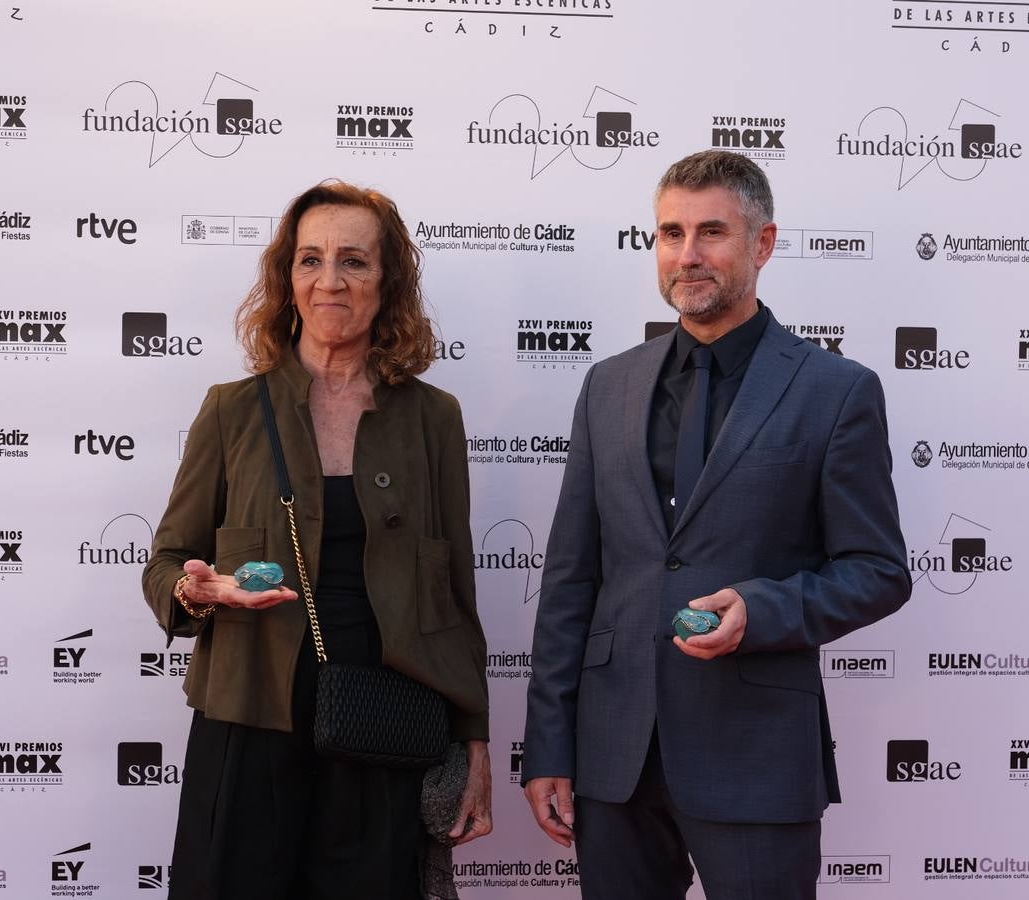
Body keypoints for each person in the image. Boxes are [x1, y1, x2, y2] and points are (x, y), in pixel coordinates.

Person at [522, 150, 911, 899]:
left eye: (712, 233)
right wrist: (549, 747)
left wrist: (764, 609)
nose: (687, 255)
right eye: (670, 234)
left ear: (762, 245)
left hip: (755, 751)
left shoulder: (835, 391)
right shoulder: (609, 384)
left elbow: (878, 570)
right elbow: (571, 577)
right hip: (614, 756)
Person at [142, 180, 492, 900]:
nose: (329, 280)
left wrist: (476, 747)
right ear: (287, 277)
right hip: (249, 713)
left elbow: (454, 594)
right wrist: (194, 589)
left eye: (354, 261)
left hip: (384, 719)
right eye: (310, 259)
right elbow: (168, 561)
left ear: (386, 280)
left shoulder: (433, 419)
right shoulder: (232, 411)